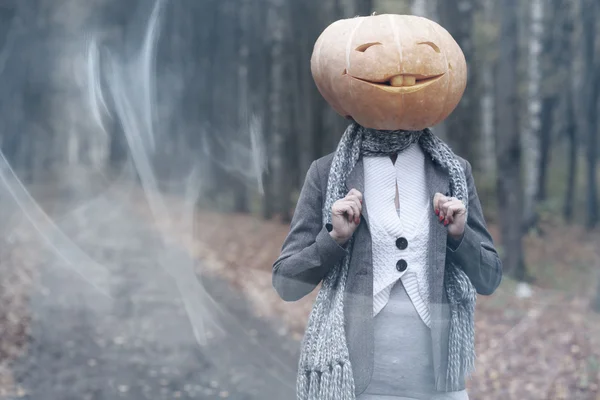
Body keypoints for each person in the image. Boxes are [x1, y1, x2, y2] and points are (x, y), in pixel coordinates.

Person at [272, 13, 503, 400]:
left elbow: (490, 278)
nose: (401, 75)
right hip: (355, 386)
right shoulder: (327, 173)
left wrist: (459, 236)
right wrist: (334, 239)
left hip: (437, 387)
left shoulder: (452, 173)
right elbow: (286, 283)